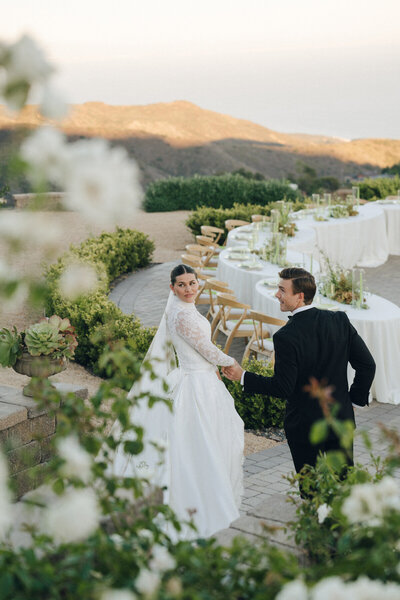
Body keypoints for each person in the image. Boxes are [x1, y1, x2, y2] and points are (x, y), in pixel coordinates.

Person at [110, 264, 244, 539]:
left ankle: (207, 490)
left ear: (199, 284)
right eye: (181, 285)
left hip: (201, 378)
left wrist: (214, 369)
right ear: (172, 287)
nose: (188, 289)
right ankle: (197, 498)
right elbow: (205, 348)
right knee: (197, 441)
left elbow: (201, 351)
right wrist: (231, 363)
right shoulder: (181, 316)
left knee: (206, 439)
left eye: (192, 283)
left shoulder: (183, 310)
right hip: (194, 384)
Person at [223, 267, 376, 475]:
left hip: (305, 428)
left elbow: (283, 387)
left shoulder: (286, 336)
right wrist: (353, 402)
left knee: (312, 493)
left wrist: (243, 376)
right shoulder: (340, 321)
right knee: (342, 489)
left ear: (300, 296)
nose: (277, 295)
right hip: (340, 421)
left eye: (282, 290)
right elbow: (368, 365)